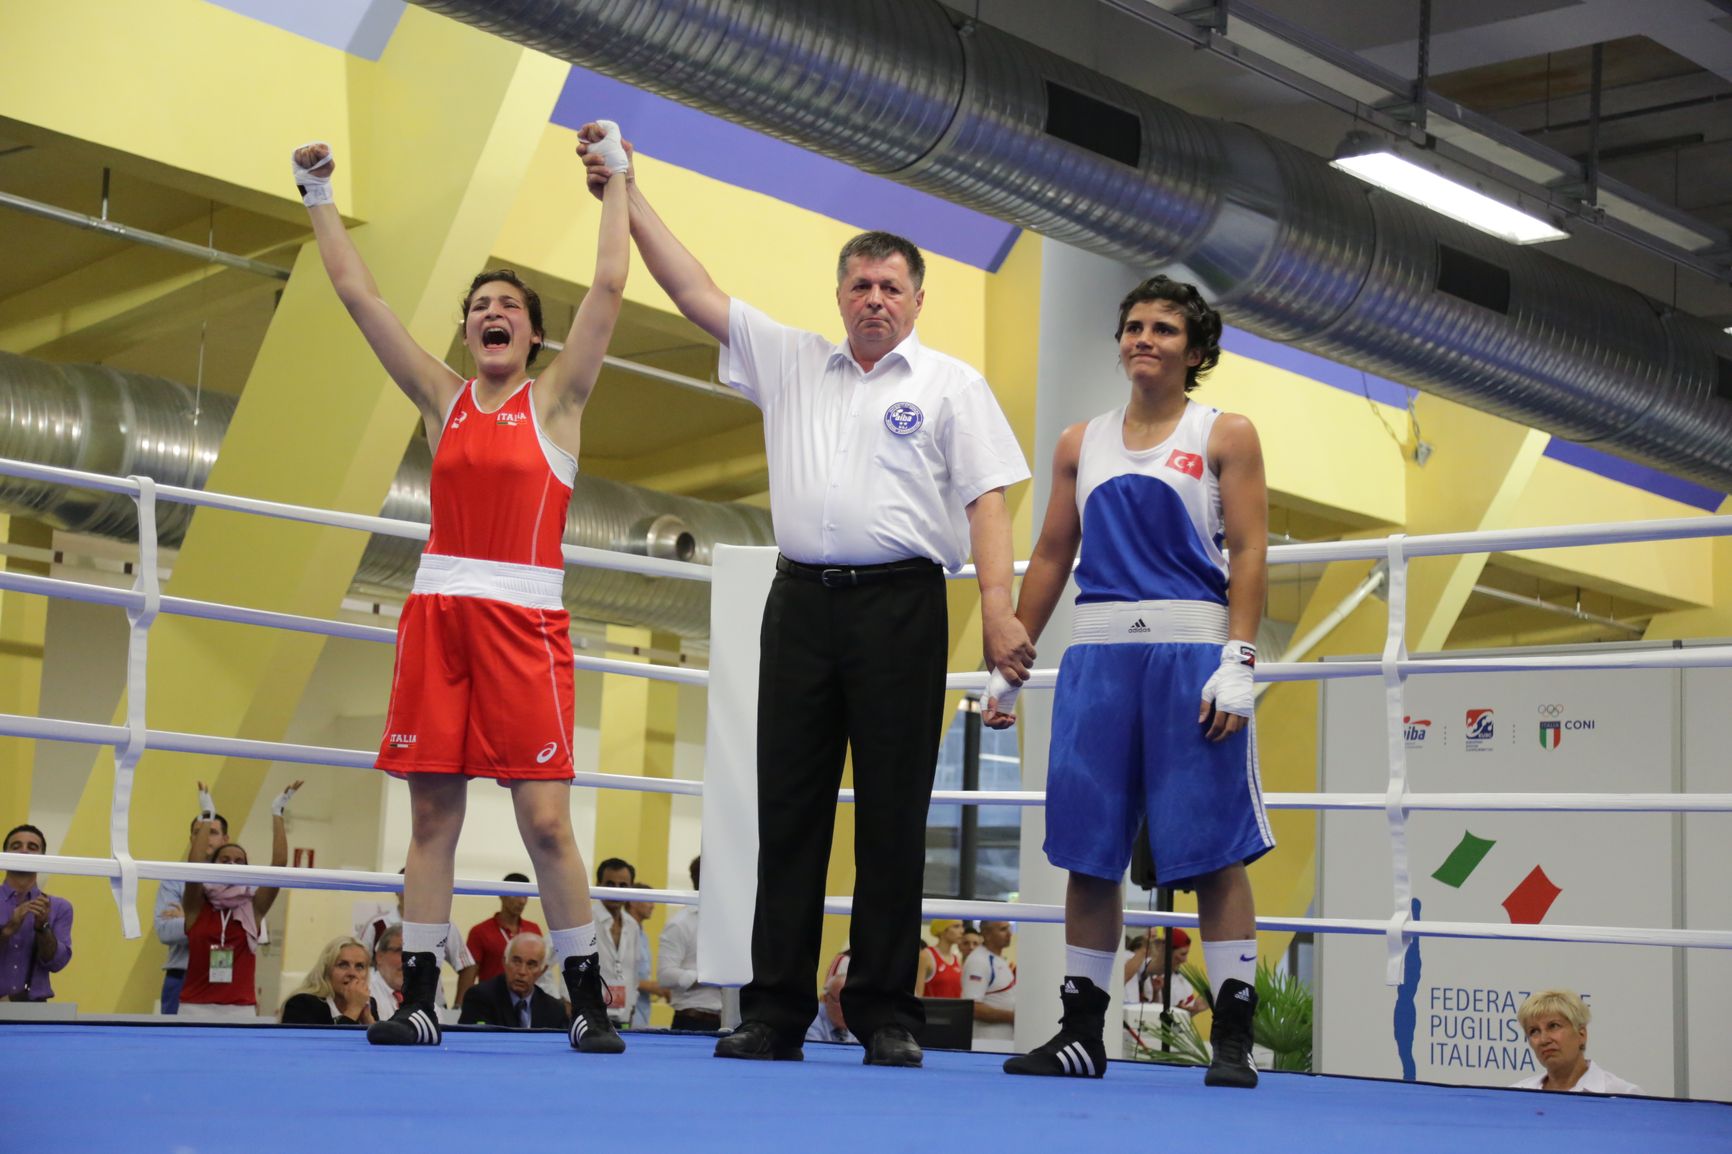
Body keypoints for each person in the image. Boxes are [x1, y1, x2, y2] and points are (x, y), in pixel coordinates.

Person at [581, 128, 1032, 1070]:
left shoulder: (955, 385)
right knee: (787, 808)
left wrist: (998, 609)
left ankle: (886, 1013)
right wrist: (627, 183)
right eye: (860, 285)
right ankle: (776, 1008)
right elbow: (693, 288)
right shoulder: (788, 359)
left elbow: (988, 497)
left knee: (895, 813)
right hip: (800, 604)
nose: (874, 299)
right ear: (840, 297)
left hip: (906, 605)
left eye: (891, 287)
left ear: (916, 301)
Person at [291, 125, 632, 1054]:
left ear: (530, 331)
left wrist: (617, 185)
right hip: (438, 616)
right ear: (469, 327)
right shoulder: (441, 399)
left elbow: (608, 287)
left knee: (546, 821)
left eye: (507, 306)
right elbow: (360, 299)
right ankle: (423, 998)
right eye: (478, 303)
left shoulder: (557, 401)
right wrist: (316, 194)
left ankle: (590, 998)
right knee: (432, 815)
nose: (491, 313)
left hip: (525, 621)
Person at [985, 276, 1272, 1087]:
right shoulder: (1082, 441)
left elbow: (1248, 551)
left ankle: (1232, 1038)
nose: (1144, 338)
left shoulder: (1227, 433)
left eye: (1165, 330)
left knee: (1215, 851)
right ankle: (1081, 1034)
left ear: (1197, 351)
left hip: (1191, 653)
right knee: (1089, 852)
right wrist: (1010, 664)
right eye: (1134, 326)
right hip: (1100, 658)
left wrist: (1240, 661)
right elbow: (1050, 556)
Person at [177, 780, 299, 1019]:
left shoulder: (253, 908)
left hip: (240, 1009)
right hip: (193, 1008)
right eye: (225, 860)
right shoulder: (196, 907)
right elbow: (193, 867)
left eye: (239, 861)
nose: (232, 865)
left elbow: (280, 865)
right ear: (213, 866)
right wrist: (207, 815)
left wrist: (277, 811)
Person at [155, 807, 228, 1014]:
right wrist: (216, 921)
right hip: (182, 975)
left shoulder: (240, 881)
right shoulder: (174, 879)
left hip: (225, 977)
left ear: (225, 839)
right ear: (191, 839)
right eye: (198, 832)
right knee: (174, 1044)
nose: (205, 837)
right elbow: (165, 931)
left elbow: (241, 935)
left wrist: (189, 918)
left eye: (212, 832)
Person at [1512, 989, 1639, 1095]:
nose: (1544, 1040)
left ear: (1581, 1034)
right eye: (1534, 1031)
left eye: (1554, 1026)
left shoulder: (1623, 1095)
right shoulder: (1517, 1096)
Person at [0, 824, 72, 1002]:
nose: (24, 851)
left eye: (32, 848)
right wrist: (8, 930)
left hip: (33, 1010)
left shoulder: (59, 907)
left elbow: (57, 963)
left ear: (43, 859)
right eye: (16, 847)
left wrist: (43, 928)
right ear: (4, 855)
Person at [659, 855, 723, 1031]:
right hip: (690, 1018)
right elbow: (665, 975)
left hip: (723, 1019)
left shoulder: (726, 923)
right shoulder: (680, 923)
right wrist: (708, 976)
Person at [459, 933, 569, 1029]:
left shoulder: (554, 1009)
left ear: (542, 970)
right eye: (516, 961)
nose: (522, 971)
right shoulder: (479, 998)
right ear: (504, 962)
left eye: (531, 964)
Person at [465, 872, 542, 984]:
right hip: (490, 999)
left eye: (525, 895)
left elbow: (540, 969)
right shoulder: (480, 932)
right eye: (516, 895)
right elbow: (469, 975)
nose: (522, 901)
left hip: (525, 998)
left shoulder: (533, 930)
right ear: (501, 894)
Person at [590, 858, 640, 1030]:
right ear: (598, 884)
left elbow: (634, 971)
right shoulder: (584, 918)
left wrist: (631, 1006)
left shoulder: (632, 925)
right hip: (589, 1016)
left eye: (623, 885)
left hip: (623, 1017)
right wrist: (564, 999)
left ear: (631, 888)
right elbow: (551, 955)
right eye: (610, 884)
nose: (616, 890)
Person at [281, 937, 376, 1026]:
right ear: (326, 970)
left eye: (359, 966)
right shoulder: (301, 1004)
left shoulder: (369, 1004)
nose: (352, 973)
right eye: (343, 965)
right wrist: (353, 1009)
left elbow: (380, 1042)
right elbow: (333, 1043)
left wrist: (367, 1019)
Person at [960, 920, 1017, 1053]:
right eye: (1003, 930)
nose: (1009, 934)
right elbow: (973, 1008)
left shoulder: (999, 960)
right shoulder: (979, 961)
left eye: (1009, 929)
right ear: (987, 933)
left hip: (1004, 1042)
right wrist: (1014, 1017)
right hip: (986, 1043)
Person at [1124, 929, 1199, 1012]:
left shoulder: (1180, 978)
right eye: (1182, 954)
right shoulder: (1128, 957)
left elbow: (1155, 967)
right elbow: (1123, 978)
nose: (1185, 960)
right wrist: (1146, 949)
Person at [805, 949, 857, 1046]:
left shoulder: (858, 1020)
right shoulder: (811, 1019)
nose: (846, 1009)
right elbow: (816, 1054)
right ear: (826, 999)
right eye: (840, 1001)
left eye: (850, 1003)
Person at [916, 919, 964, 998]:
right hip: (932, 1009)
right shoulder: (925, 956)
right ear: (942, 930)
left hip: (955, 1009)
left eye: (962, 926)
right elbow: (917, 994)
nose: (962, 931)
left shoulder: (957, 959)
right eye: (956, 926)